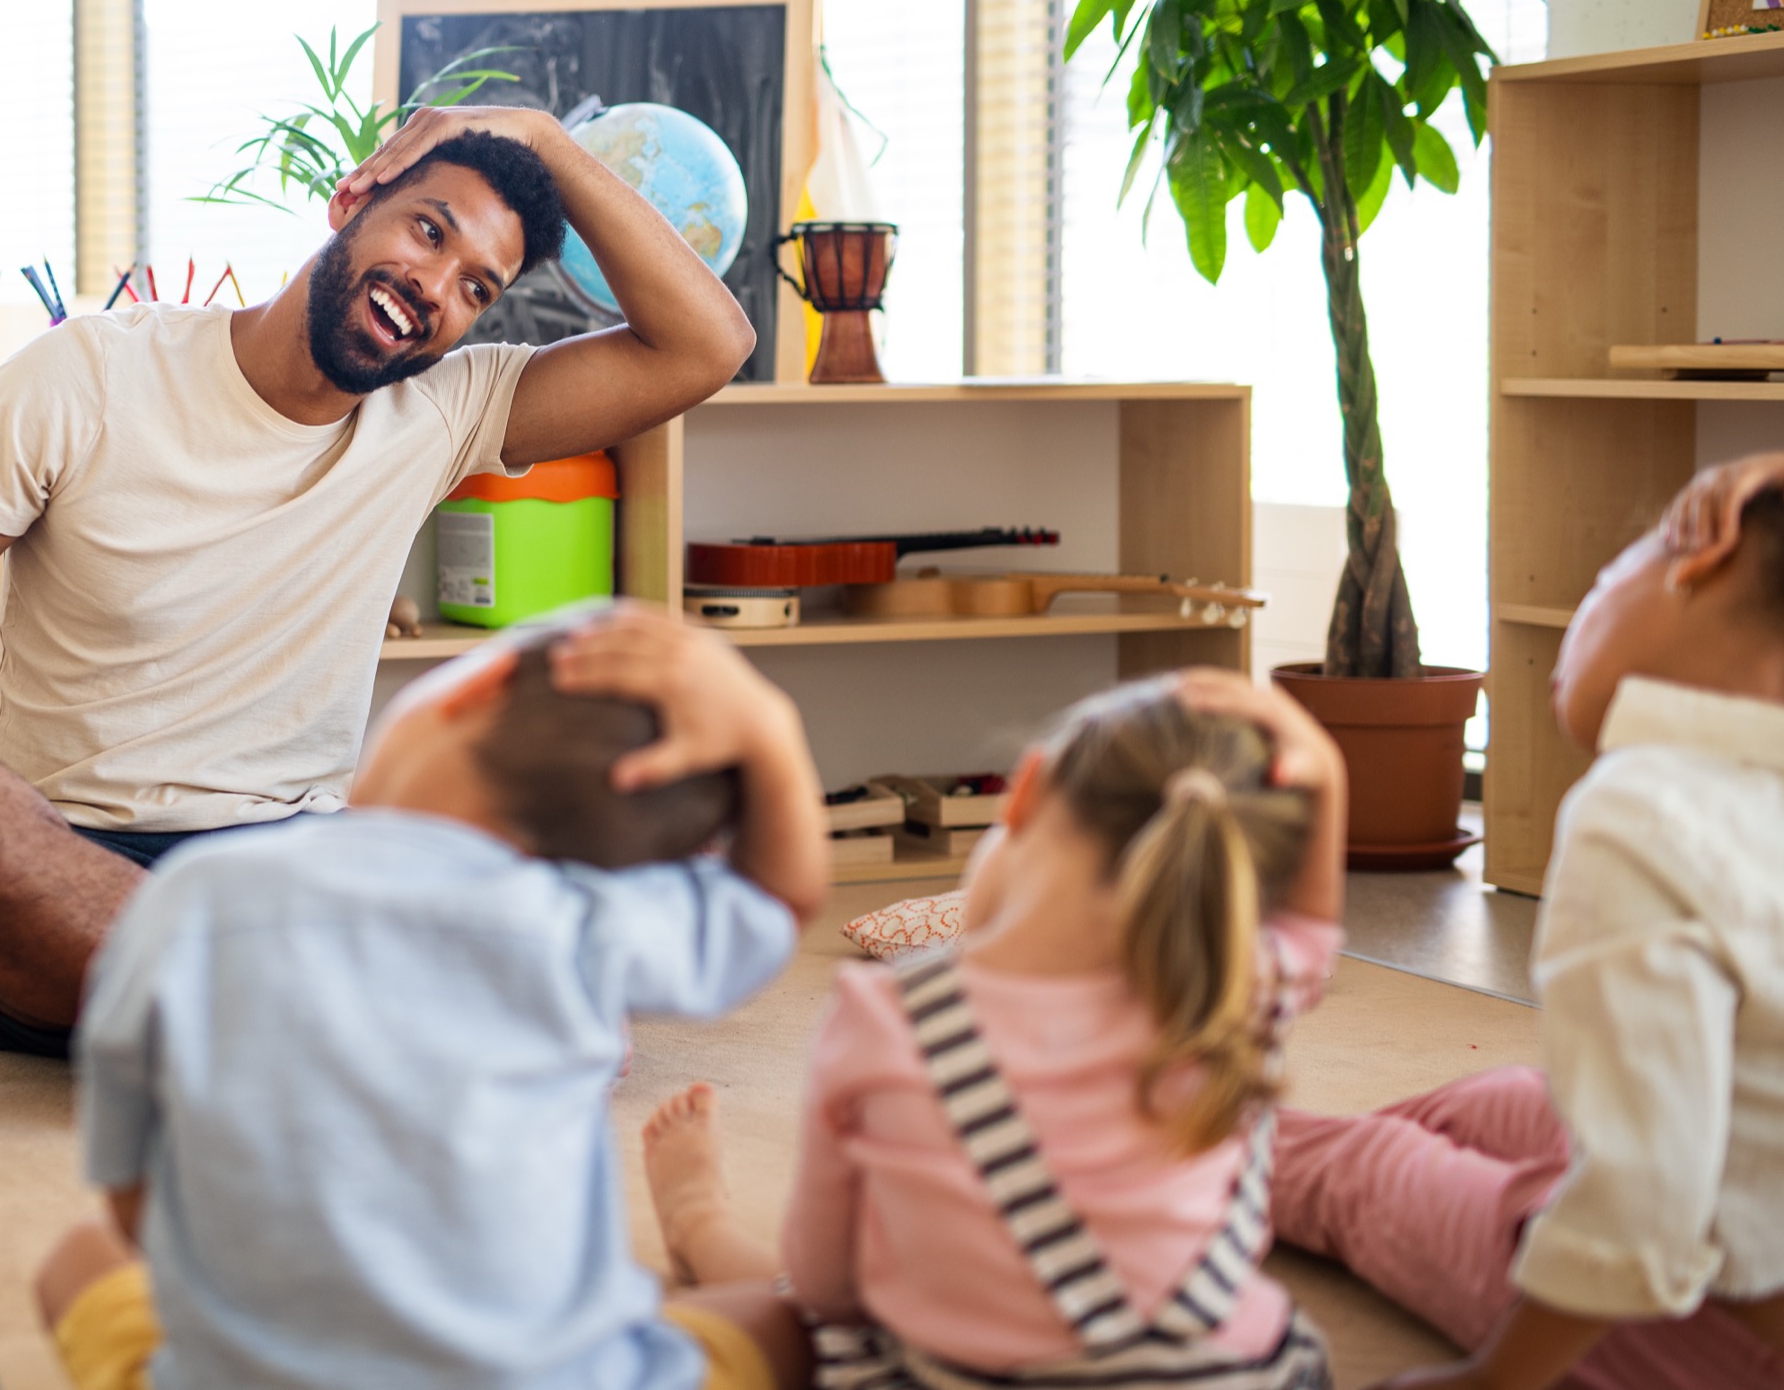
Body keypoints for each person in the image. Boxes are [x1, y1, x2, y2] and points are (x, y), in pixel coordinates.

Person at [0, 108, 761, 1056]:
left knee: (567, 824)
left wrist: (546, 140)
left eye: (478, 286)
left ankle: (259, 1005)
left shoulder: (445, 412)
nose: (434, 285)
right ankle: (355, 1007)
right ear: (354, 201)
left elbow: (705, 346)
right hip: (74, 861)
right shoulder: (89, 374)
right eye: (429, 230)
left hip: (297, 867)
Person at [32, 605, 826, 1390]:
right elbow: (782, 905)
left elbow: (135, 1208)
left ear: (477, 688)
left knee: (78, 1259)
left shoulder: (186, 901)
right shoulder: (584, 929)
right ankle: (700, 1225)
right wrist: (771, 730)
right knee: (784, 1317)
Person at [642, 670, 1347, 1390]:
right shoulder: (1240, 990)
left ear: (1027, 790)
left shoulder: (886, 1018)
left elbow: (828, 1288)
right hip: (1236, 1379)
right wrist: (1325, 772)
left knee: (787, 1316)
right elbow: (1316, 928)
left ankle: (701, 1222)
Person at [1268, 460, 1784, 1390]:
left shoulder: (1649, 815)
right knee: (1504, 1098)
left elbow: (1645, 1203)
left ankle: (1185, 1150)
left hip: (1711, 1332)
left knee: (1365, 1169)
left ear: (1695, 565)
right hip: (1744, 1210)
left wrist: (1493, 1382)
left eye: (1596, 588)